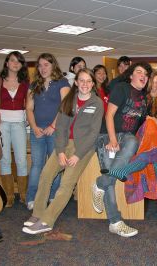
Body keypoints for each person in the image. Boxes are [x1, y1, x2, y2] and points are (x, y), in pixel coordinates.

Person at [23, 68, 103, 234]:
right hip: (64, 144)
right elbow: (61, 127)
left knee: (66, 183)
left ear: (93, 84)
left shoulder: (97, 103)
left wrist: (77, 155)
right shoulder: (68, 100)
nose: (85, 84)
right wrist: (60, 151)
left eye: (89, 81)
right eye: (81, 80)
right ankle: (37, 213)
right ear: (76, 82)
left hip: (83, 148)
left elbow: (93, 133)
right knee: (46, 174)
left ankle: (48, 220)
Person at [91, 62, 152, 237]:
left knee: (132, 141)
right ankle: (115, 222)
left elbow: (138, 123)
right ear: (131, 75)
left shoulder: (144, 98)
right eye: (139, 72)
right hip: (107, 137)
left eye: (146, 74)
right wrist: (112, 139)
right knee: (112, 176)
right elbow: (109, 115)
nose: (143, 76)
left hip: (126, 139)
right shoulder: (122, 88)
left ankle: (99, 183)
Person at [108, 71, 157, 217]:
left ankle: (126, 170)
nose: (155, 85)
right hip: (142, 141)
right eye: (152, 82)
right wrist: (151, 123)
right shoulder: (141, 100)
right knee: (149, 124)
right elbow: (135, 125)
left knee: (151, 124)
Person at [25, 53, 70, 211]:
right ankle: (32, 198)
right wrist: (34, 127)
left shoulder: (62, 83)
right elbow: (29, 108)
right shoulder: (34, 84)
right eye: (40, 65)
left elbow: (65, 106)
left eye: (46, 64)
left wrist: (53, 126)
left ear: (53, 65)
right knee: (37, 165)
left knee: (55, 164)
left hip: (56, 130)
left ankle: (52, 196)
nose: (43, 68)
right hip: (37, 130)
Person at [0, 51, 29, 207]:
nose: (15, 63)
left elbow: (29, 102)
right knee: (5, 159)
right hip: (2, 123)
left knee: (22, 160)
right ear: (7, 63)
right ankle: (9, 196)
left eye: (18, 61)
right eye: (12, 60)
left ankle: (23, 195)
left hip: (19, 123)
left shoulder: (25, 82)